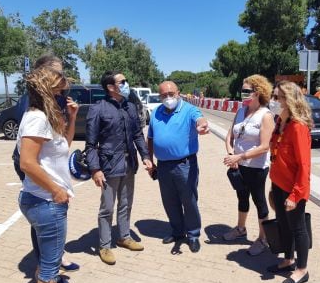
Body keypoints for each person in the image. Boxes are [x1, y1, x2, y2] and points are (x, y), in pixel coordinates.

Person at [17, 67, 79, 283]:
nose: (63, 94)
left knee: (47, 259)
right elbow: (27, 163)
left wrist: (72, 119)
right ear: (47, 91)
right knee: (51, 268)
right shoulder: (37, 118)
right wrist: (56, 190)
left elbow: (64, 146)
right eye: (60, 90)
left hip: (43, 200)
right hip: (46, 201)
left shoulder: (45, 117)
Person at [85, 71, 152, 265]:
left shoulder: (130, 107)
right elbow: (90, 145)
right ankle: (105, 245)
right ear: (110, 87)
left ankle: (124, 236)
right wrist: (95, 169)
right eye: (122, 82)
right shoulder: (98, 109)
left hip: (129, 164)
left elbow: (138, 134)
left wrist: (145, 156)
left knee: (126, 204)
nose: (126, 84)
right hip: (108, 166)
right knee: (107, 208)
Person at [147, 81, 209, 253]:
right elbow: (150, 138)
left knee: (189, 201)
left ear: (178, 93)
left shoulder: (189, 109)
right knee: (170, 201)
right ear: (159, 96)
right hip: (163, 166)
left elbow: (200, 119)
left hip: (185, 165)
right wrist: (149, 160)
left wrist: (202, 126)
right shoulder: (156, 112)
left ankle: (193, 234)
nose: (168, 98)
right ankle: (177, 232)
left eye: (171, 94)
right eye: (164, 95)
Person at [223, 74, 275, 256]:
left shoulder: (265, 115)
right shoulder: (240, 111)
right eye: (242, 91)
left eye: (246, 91)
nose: (242, 94)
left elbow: (264, 146)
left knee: (259, 201)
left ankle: (263, 238)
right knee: (242, 197)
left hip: (256, 167)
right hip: (238, 165)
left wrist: (240, 156)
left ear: (258, 92)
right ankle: (240, 228)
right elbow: (230, 136)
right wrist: (231, 154)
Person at [268, 81, 312, 283]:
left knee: (298, 228)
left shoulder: (298, 127)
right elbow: (276, 154)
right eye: (274, 97)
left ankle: (302, 270)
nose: (273, 101)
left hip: (292, 188)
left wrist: (295, 195)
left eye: (277, 98)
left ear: (289, 100)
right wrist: (273, 186)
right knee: (283, 225)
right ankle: (288, 260)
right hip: (278, 183)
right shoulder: (280, 122)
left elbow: (304, 165)